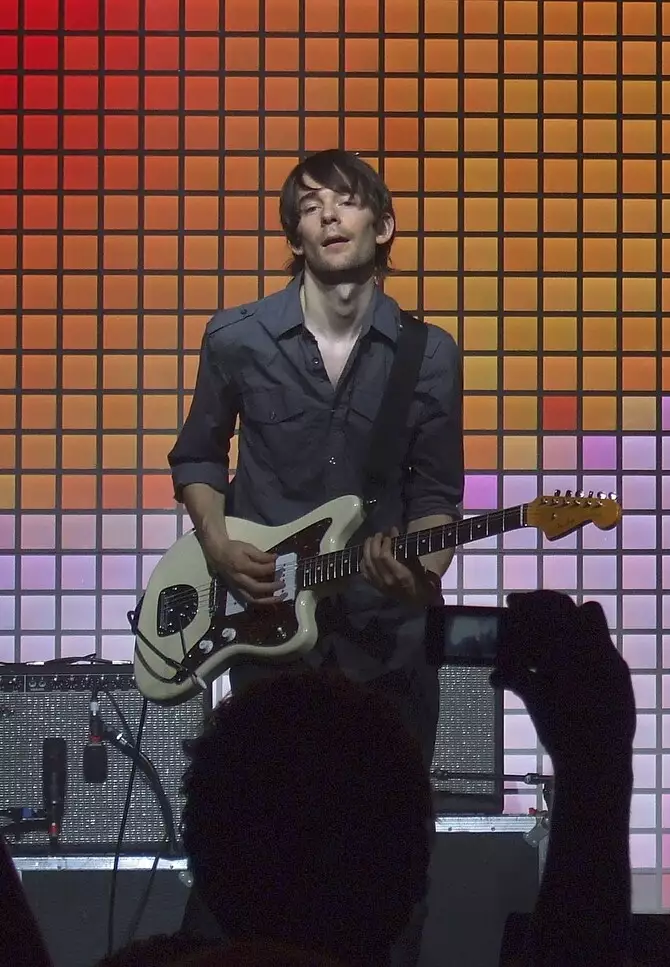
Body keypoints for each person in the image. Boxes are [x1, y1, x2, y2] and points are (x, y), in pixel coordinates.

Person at [167, 149, 464, 964]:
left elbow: (438, 492)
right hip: (264, 629)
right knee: (251, 843)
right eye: (310, 206)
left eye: (347, 201)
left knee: (390, 864)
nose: (330, 215)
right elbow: (196, 457)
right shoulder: (238, 337)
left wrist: (421, 570)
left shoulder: (427, 352)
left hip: (387, 641)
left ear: (384, 225)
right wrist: (219, 544)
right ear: (294, 235)